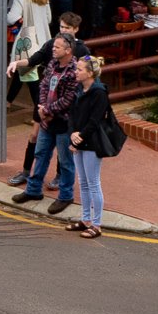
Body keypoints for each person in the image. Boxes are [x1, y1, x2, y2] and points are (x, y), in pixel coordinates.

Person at [5, 12, 91, 187]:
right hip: (46, 102)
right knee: (34, 135)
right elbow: (33, 60)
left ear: (76, 29)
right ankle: (26, 171)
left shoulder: (82, 50)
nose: (63, 30)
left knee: (63, 143)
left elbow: (89, 74)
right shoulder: (53, 45)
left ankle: (60, 176)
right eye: (61, 27)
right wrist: (16, 63)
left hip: (66, 108)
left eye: (67, 28)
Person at [11, 34, 78, 215]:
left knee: (65, 162)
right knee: (41, 154)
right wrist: (42, 108)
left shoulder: (74, 71)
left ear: (68, 50)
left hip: (64, 123)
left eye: (57, 47)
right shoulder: (52, 64)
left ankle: (65, 196)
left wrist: (47, 111)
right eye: (53, 46)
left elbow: (68, 99)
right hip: (47, 121)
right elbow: (44, 86)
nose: (53, 49)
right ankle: (33, 190)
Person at [67, 54, 114, 239]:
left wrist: (79, 137)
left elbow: (95, 121)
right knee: (83, 183)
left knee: (93, 183)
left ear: (90, 73)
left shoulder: (99, 93)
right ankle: (86, 220)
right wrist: (72, 135)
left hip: (92, 143)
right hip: (78, 140)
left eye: (79, 69)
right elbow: (71, 115)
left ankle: (97, 224)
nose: (76, 72)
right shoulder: (78, 89)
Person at [5, 0, 54, 109]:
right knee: (24, 72)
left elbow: (11, 18)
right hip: (43, 40)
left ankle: (39, 111)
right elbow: (49, 18)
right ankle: (8, 101)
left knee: (29, 76)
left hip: (28, 41)